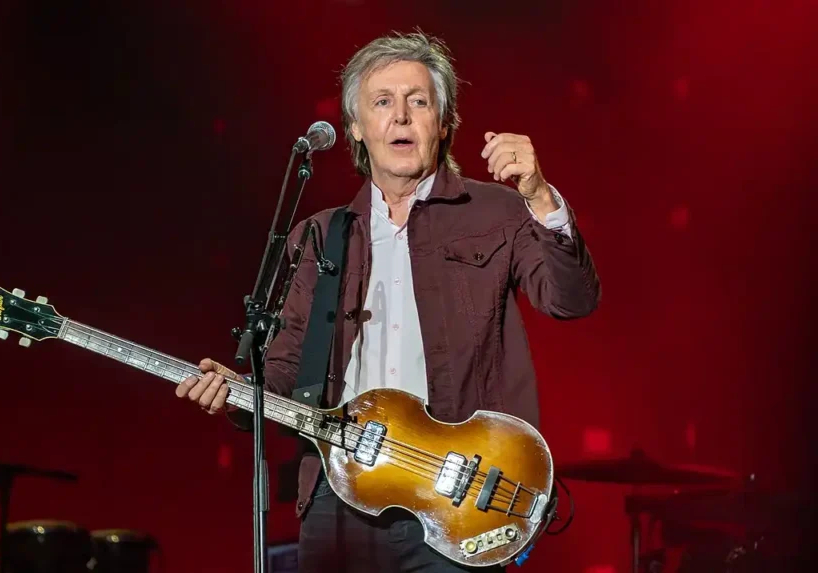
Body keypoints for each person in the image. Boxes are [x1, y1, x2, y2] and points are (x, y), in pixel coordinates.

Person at [177, 31, 601, 572]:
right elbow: (286, 370)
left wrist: (540, 196)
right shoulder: (321, 235)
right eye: (382, 102)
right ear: (356, 126)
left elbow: (572, 300)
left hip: (458, 498)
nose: (400, 116)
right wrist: (237, 392)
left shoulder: (498, 211)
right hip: (341, 498)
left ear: (443, 123)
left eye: (418, 101)